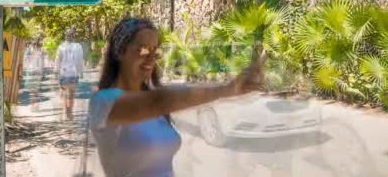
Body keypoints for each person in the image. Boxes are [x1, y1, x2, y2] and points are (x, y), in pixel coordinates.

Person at [88, 18, 265, 177]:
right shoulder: (103, 102)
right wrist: (228, 89)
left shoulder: (153, 102)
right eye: (142, 50)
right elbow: (160, 101)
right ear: (120, 52)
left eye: (155, 51)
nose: (151, 58)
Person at [56, 28, 85, 121]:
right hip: (73, 73)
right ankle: (70, 113)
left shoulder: (61, 46)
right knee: (72, 94)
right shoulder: (78, 46)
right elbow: (80, 61)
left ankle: (66, 111)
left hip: (63, 73)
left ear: (65, 36)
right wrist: (81, 72)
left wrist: (56, 71)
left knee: (65, 94)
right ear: (73, 36)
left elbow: (58, 60)